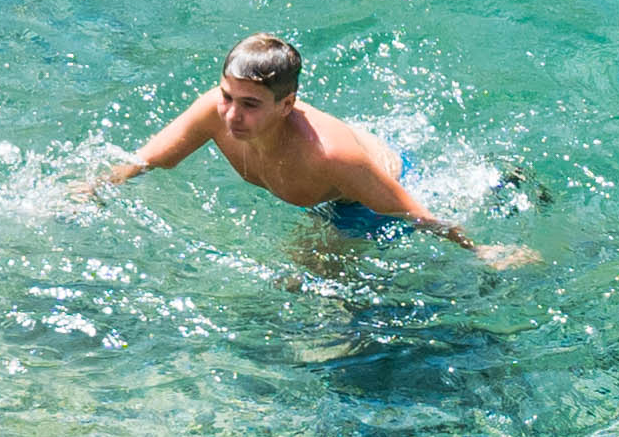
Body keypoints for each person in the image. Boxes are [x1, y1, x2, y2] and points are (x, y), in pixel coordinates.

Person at [88, 33, 535, 267]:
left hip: (368, 200)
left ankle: (500, 182)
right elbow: (149, 159)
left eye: (249, 105)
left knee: (303, 280)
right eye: (227, 96)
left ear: (287, 105)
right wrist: (90, 187)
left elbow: (414, 212)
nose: (230, 116)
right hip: (336, 190)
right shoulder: (215, 110)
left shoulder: (330, 155)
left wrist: (481, 251)